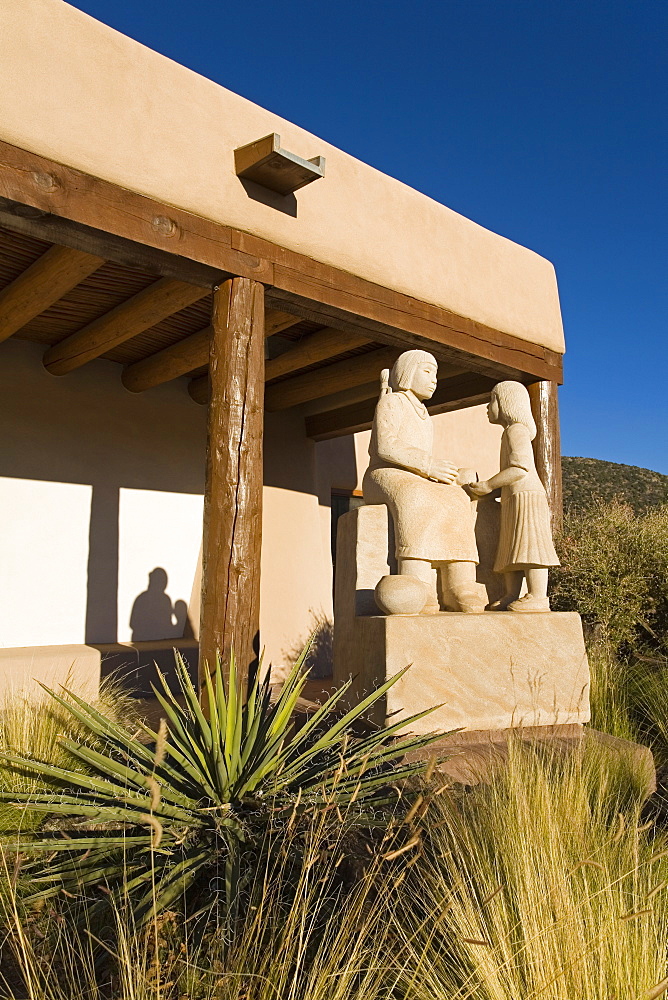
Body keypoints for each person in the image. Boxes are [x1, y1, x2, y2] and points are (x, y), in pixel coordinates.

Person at [362, 349, 482, 613]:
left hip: (414, 473)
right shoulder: (392, 402)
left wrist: (441, 472)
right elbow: (386, 447)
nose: (434, 379)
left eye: (435, 373)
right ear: (406, 373)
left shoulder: (424, 414)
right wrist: (428, 465)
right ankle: (419, 585)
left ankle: (460, 584)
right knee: (414, 494)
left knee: (457, 496)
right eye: (427, 371)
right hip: (383, 474)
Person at [464, 381, 559, 612]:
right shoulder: (510, 431)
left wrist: (488, 484)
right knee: (510, 549)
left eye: (492, 400)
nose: (487, 406)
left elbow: (520, 468)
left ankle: (538, 596)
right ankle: (511, 595)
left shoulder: (517, 430)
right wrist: (490, 491)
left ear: (505, 403)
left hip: (527, 496)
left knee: (531, 546)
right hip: (514, 497)